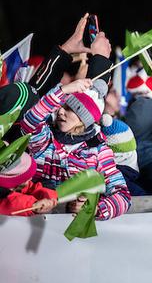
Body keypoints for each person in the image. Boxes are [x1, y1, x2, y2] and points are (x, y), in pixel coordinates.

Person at [22, 78, 131, 220]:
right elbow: (30, 121)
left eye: (70, 109)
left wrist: (94, 209)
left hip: (68, 232)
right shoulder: (45, 138)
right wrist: (63, 91)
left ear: (85, 118)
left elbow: (123, 195)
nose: (61, 111)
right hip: (29, 220)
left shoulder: (98, 151)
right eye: (61, 106)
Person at [0, 137, 57, 216]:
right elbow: (8, 204)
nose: (30, 178)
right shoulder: (3, 194)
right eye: (26, 178)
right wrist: (33, 205)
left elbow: (32, 187)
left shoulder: (13, 184)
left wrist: (49, 196)